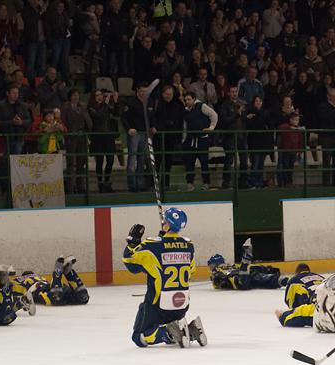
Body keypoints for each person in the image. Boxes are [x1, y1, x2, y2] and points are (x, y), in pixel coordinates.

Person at [123, 208, 206, 348]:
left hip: (158, 305)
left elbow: (131, 263)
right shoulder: (189, 245)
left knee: (139, 337)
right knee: (174, 325)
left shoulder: (152, 245)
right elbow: (190, 270)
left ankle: (169, 331)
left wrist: (133, 241)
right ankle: (191, 330)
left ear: (167, 225)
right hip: (181, 305)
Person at [207, 239, 287, 290]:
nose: (211, 268)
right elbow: (251, 267)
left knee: (256, 280)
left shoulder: (217, 271)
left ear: (216, 264)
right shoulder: (232, 266)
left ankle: (278, 280)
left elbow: (217, 281)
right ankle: (280, 280)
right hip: (243, 278)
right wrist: (264, 268)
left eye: (211, 265)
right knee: (261, 279)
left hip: (239, 281)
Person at [12, 256, 90, 306]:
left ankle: (57, 271)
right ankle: (69, 273)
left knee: (56, 297)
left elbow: (12, 292)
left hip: (42, 290)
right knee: (83, 297)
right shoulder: (38, 277)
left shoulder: (19, 281)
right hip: (53, 286)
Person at [181, 93, 218, 191]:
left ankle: (206, 183)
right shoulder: (186, 111)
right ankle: (190, 183)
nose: (187, 101)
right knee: (190, 163)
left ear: (194, 99)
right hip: (190, 140)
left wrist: (211, 127)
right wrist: (184, 140)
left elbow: (214, 115)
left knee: (204, 163)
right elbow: (185, 126)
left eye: (189, 99)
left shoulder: (202, 106)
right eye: (185, 100)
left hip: (202, 140)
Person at [153, 85, 184, 191]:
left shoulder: (176, 105)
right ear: (162, 94)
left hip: (170, 138)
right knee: (157, 162)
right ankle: (155, 184)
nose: (168, 96)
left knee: (168, 162)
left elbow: (179, 122)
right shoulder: (157, 104)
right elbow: (153, 118)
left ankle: (166, 184)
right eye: (167, 94)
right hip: (158, 137)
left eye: (170, 94)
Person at [88, 89, 119, 193]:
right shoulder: (91, 107)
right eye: (97, 95)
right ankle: (100, 183)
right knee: (100, 160)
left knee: (110, 159)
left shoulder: (107, 106)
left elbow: (116, 113)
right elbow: (99, 116)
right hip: (98, 137)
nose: (99, 97)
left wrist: (115, 101)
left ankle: (107, 181)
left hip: (109, 136)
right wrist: (106, 103)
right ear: (94, 97)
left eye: (101, 95)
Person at [316, 87, 335, 186]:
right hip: (326, 137)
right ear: (328, 96)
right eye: (333, 96)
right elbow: (327, 119)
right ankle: (326, 183)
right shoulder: (323, 106)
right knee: (327, 161)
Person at [276, 112, 304, 187]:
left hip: (294, 152)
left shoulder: (299, 130)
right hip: (286, 151)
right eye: (295, 120)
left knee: (290, 168)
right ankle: (285, 183)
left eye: (297, 120)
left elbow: (300, 141)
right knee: (286, 167)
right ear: (290, 120)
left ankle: (289, 182)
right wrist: (290, 127)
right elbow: (280, 127)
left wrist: (300, 151)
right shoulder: (286, 127)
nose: (296, 121)